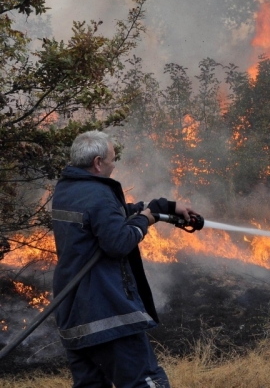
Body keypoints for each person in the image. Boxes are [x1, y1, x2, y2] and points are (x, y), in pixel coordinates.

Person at [51, 130, 197, 388]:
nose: (114, 164)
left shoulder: (66, 190)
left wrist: (161, 206)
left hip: (74, 314)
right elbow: (118, 242)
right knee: (146, 383)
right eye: (112, 159)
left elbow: (106, 218)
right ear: (98, 163)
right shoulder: (99, 194)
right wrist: (146, 219)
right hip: (107, 313)